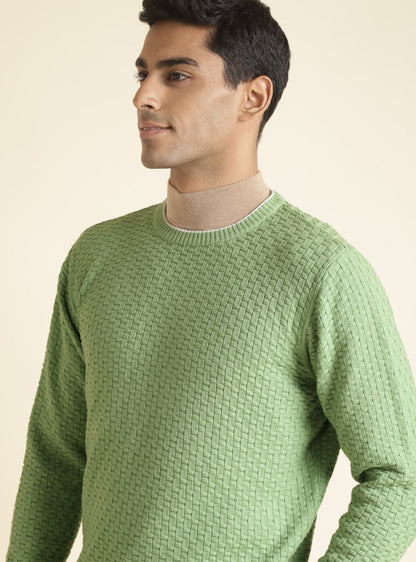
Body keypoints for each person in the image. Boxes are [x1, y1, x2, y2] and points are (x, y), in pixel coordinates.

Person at [6, 0, 416, 560]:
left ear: (254, 96)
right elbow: (55, 457)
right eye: (142, 75)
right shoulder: (96, 257)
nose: (143, 96)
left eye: (176, 75)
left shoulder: (323, 272)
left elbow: (401, 476)